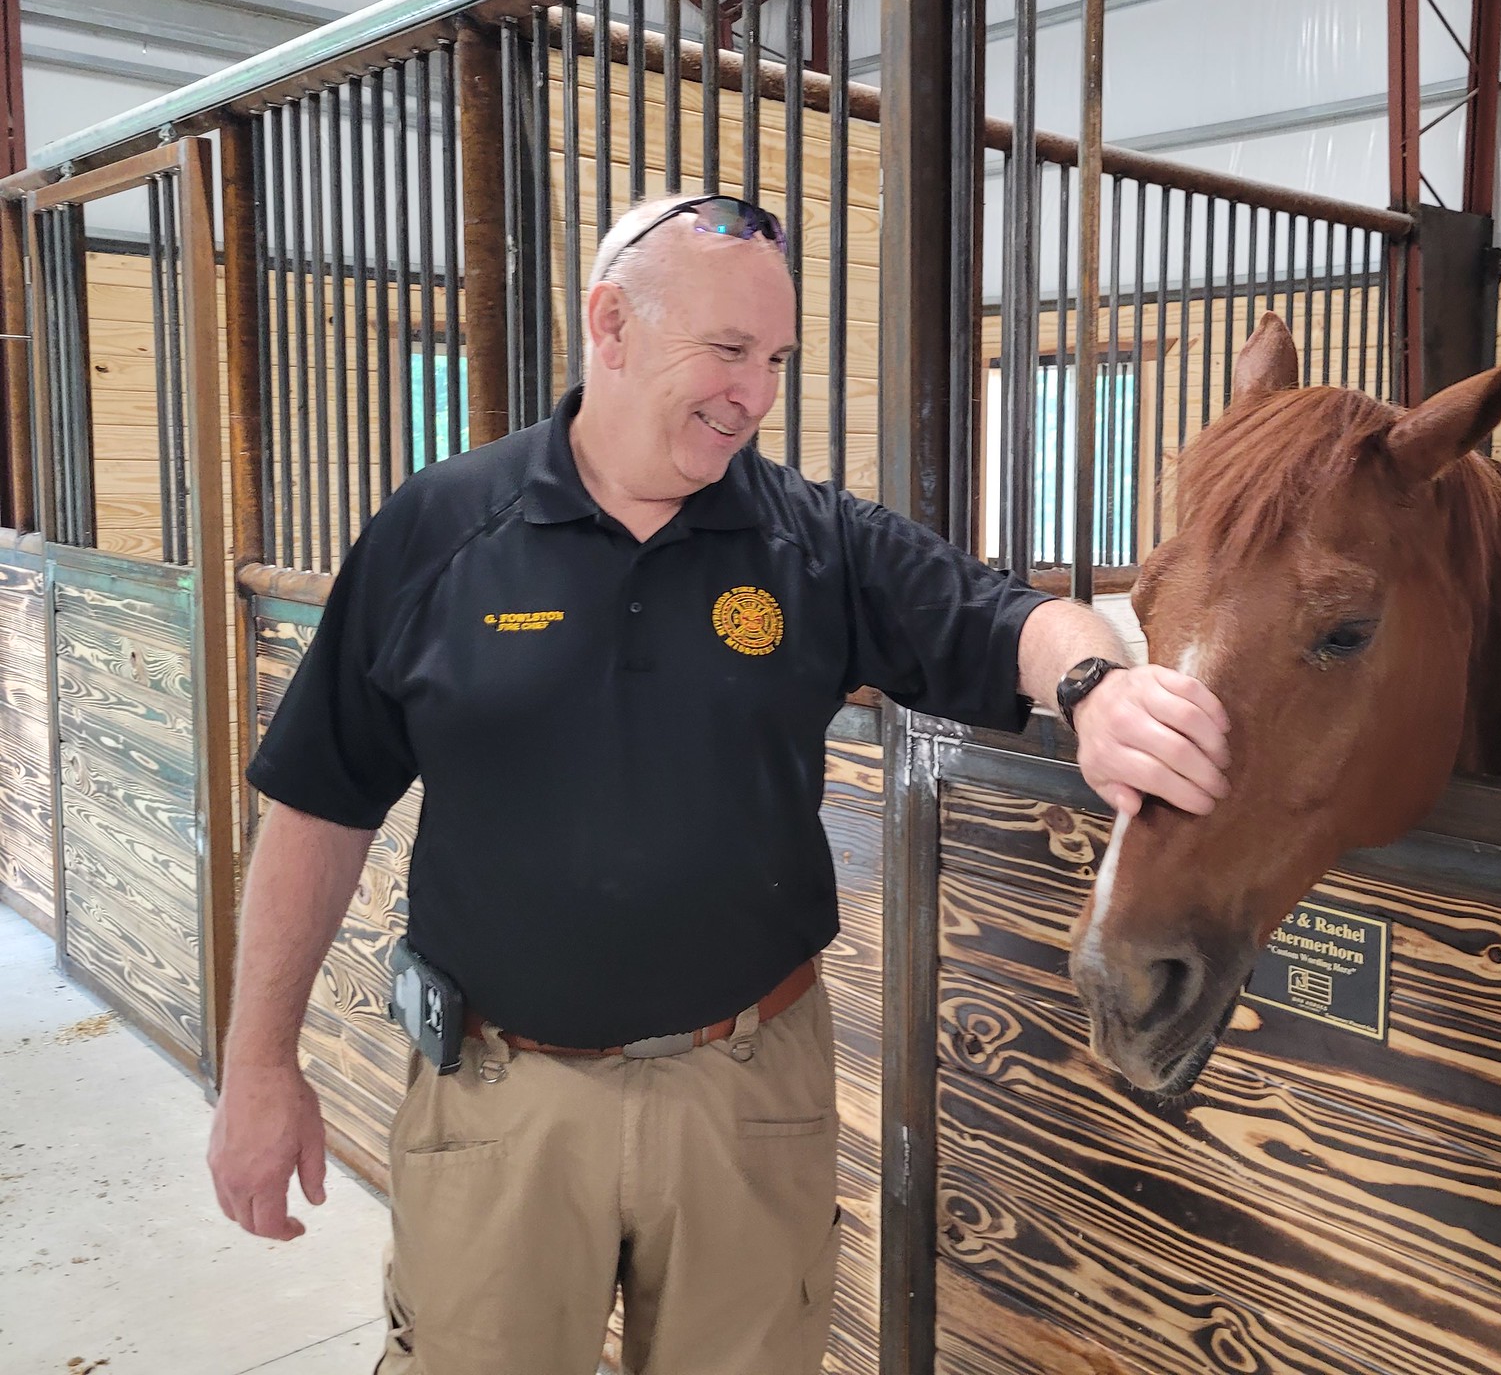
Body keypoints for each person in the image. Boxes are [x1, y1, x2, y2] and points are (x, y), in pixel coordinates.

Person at [206, 193, 1232, 1375]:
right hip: (499, 1096)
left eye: (777, 359)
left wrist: (1097, 686)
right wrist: (259, 1064)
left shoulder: (813, 542)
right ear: (611, 325)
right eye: (729, 350)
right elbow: (319, 802)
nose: (754, 394)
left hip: (748, 1093)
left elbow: (1013, 618)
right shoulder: (437, 530)